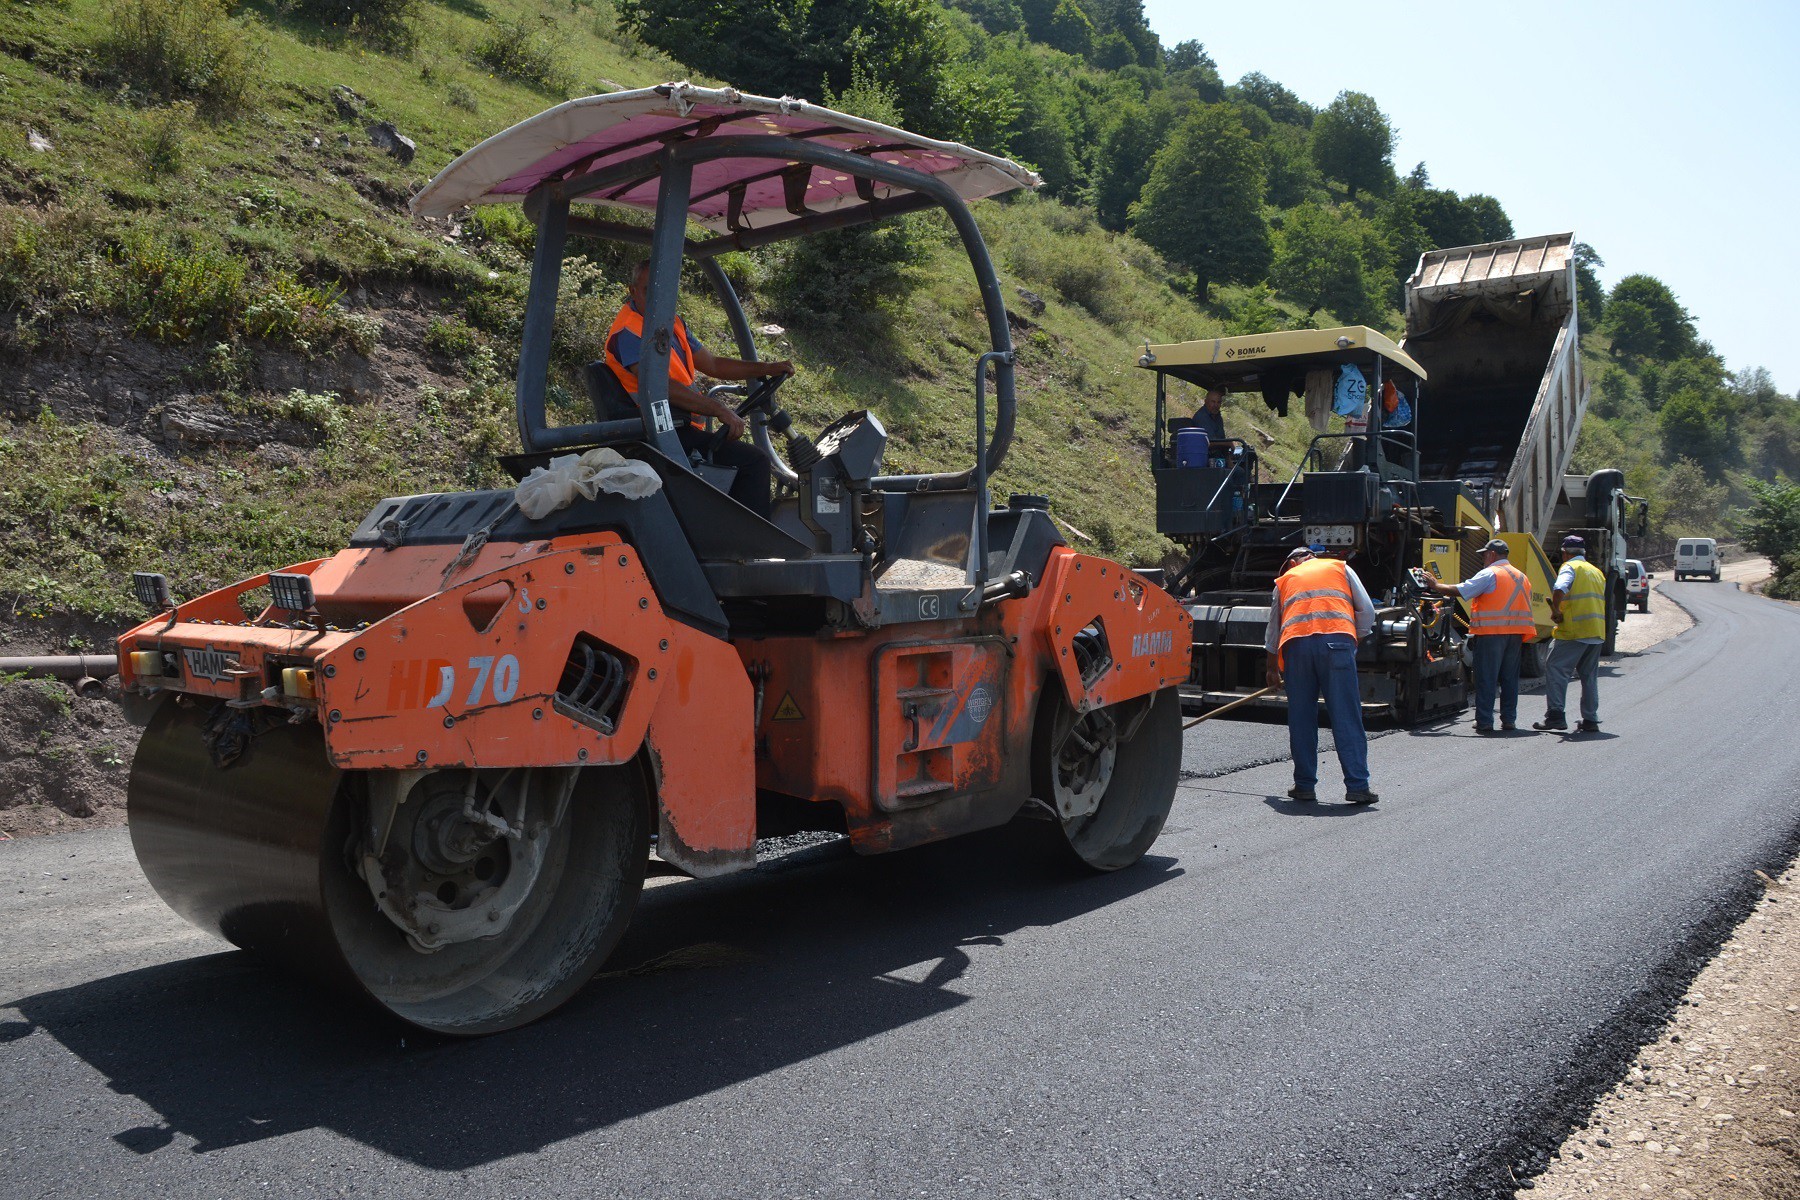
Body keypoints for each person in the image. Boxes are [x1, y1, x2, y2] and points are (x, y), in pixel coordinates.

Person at [604, 261, 793, 518]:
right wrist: (718, 409)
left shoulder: (672, 325)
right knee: (755, 463)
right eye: (650, 291)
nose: (658, 300)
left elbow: (713, 364)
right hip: (657, 433)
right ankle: (753, 550)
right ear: (633, 290)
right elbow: (659, 387)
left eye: (665, 292)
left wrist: (764, 368)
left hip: (680, 428)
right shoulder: (628, 332)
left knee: (740, 462)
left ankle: (730, 537)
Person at [1264, 545, 1378, 805]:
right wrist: (1350, 640)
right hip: (1337, 644)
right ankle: (1358, 786)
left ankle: (1304, 785)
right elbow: (1367, 612)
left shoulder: (1284, 581)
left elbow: (1273, 630)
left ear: (1292, 563)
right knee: (1346, 715)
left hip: (1296, 649)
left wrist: (1272, 668)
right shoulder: (1340, 568)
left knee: (1302, 718)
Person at [1419, 538, 1535, 734]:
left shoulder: (1490, 573)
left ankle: (1484, 721)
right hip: (1515, 635)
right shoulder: (1521, 576)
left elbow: (1462, 590)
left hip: (1492, 634)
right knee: (1509, 679)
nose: (1483, 558)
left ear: (1491, 555)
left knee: (1487, 678)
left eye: (1484, 555)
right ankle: (1509, 720)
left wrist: (1436, 586)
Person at [1535, 534, 1606, 733]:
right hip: (1596, 631)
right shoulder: (1596, 571)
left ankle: (1556, 716)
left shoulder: (1569, 567)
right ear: (1583, 552)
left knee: (1556, 667)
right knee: (1589, 676)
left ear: (1565, 553)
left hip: (1575, 631)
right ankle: (1590, 719)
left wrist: (1555, 610)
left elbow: (1560, 587)